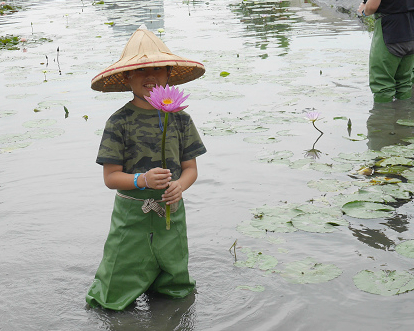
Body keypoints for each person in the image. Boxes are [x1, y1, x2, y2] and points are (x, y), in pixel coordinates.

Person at [85, 27, 207, 311]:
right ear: (127, 77)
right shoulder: (119, 122)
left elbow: (190, 169)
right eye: (140, 70)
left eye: (157, 69)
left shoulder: (181, 119)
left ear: (168, 74)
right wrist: (143, 179)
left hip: (171, 211)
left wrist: (180, 186)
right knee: (112, 291)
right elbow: (111, 178)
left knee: (175, 287)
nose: (150, 76)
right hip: (132, 216)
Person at [358, 0, 414, 102]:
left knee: (382, 84)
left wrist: (364, 11)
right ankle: (406, 115)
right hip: (411, 28)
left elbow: (371, 7)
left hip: (390, 29)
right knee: (404, 82)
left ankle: (383, 116)